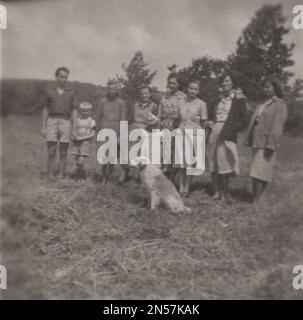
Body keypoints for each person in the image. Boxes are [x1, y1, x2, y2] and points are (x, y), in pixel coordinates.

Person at [244, 77, 287, 204]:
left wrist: (271, 145)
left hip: (268, 142)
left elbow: (278, 126)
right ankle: (258, 198)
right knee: (259, 170)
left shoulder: (279, 104)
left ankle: (256, 199)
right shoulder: (262, 103)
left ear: (275, 88)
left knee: (259, 171)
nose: (266, 89)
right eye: (264, 87)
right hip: (257, 140)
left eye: (269, 86)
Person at [208, 71, 248, 204]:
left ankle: (225, 193)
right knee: (213, 162)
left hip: (227, 133)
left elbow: (244, 120)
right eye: (223, 81)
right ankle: (216, 191)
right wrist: (210, 123)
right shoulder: (218, 99)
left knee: (224, 163)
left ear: (233, 83)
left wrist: (231, 128)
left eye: (227, 81)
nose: (224, 83)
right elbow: (210, 115)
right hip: (214, 132)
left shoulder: (238, 98)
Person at [41, 67, 77, 179]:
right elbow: (45, 109)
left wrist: (74, 128)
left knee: (63, 151)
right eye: (62, 76)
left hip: (65, 121)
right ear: (56, 77)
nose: (64, 79)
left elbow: (74, 111)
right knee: (51, 150)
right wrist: (43, 127)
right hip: (52, 120)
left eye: (66, 77)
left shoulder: (71, 93)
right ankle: (51, 174)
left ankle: (61, 174)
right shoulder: (50, 91)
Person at [176, 80, 208, 197]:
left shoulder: (202, 104)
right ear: (187, 89)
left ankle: (186, 188)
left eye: (195, 89)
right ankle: (180, 186)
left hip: (194, 133)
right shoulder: (181, 102)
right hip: (182, 132)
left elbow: (204, 123)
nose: (192, 91)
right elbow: (178, 118)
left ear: (198, 91)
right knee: (181, 161)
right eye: (191, 88)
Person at [96, 80, 127, 183]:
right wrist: (98, 132)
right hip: (104, 129)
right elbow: (98, 117)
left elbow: (123, 119)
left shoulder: (121, 103)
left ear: (117, 90)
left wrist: (121, 135)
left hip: (116, 130)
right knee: (104, 155)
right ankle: (103, 176)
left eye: (114, 89)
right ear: (107, 89)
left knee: (112, 156)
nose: (112, 91)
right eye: (110, 89)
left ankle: (109, 176)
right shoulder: (103, 101)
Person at [157, 73, 186, 180]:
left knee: (175, 153)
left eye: (173, 83)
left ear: (179, 85)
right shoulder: (164, 96)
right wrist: (157, 122)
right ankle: (163, 176)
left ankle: (172, 177)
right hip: (164, 126)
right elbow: (160, 112)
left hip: (176, 127)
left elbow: (184, 114)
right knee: (163, 152)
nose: (171, 85)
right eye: (169, 82)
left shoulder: (182, 97)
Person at [129, 86, 159, 177]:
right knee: (134, 152)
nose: (144, 95)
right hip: (134, 129)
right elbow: (129, 118)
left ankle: (143, 177)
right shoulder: (135, 105)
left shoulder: (153, 105)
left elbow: (156, 119)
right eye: (142, 93)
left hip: (146, 130)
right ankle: (134, 176)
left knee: (144, 153)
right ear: (139, 95)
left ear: (150, 94)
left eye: (146, 93)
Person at [70, 102, 96, 180]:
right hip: (76, 142)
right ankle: (78, 174)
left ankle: (82, 174)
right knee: (76, 160)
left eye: (87, 111)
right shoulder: (77, 120)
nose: (85, 113)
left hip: (85, 142)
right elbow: (73, 129)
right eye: (83, 111)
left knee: (81, 160)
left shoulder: (91, 121)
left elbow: (93, 134)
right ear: (80, 111)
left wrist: (82, 138)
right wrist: (73, 136)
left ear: (90, 111)